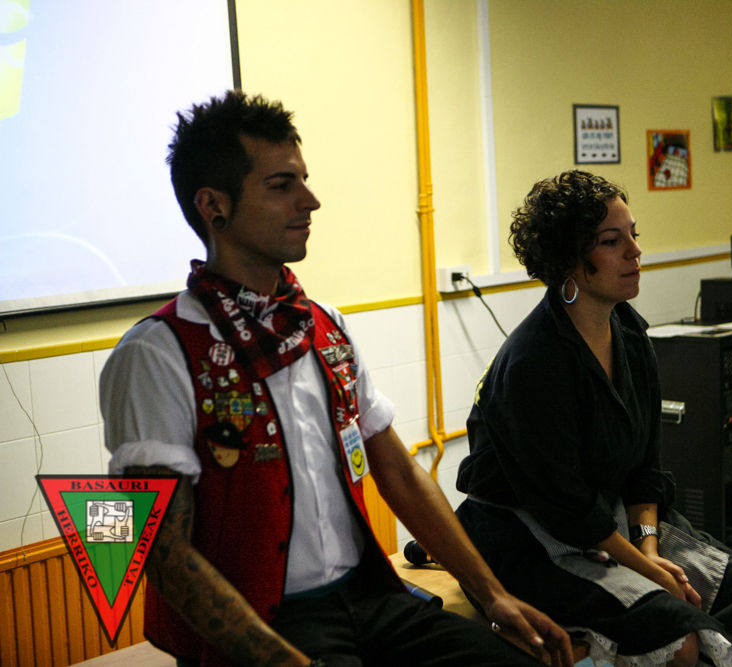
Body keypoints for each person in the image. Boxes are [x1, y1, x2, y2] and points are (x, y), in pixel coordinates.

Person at [98, 90, 572, 667]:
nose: (311, 201)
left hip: (371, 600)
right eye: (282, 185)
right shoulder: (157, 353)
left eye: (304, 180)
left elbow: (398, 470)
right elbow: (162, 552)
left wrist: (493, 596)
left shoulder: (324, 326)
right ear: (213, 206)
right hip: (266, 626)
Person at [454, 170, 732, 667]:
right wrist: (647, 570)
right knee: (675, 637)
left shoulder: (632, 337)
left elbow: (644, 469)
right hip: (527, 536)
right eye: (611, 241)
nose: (635, 251)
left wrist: (650, 549)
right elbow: (567, 509)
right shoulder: (535, 362)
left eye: (634, 235)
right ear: (570, 260)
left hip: (607, 518)